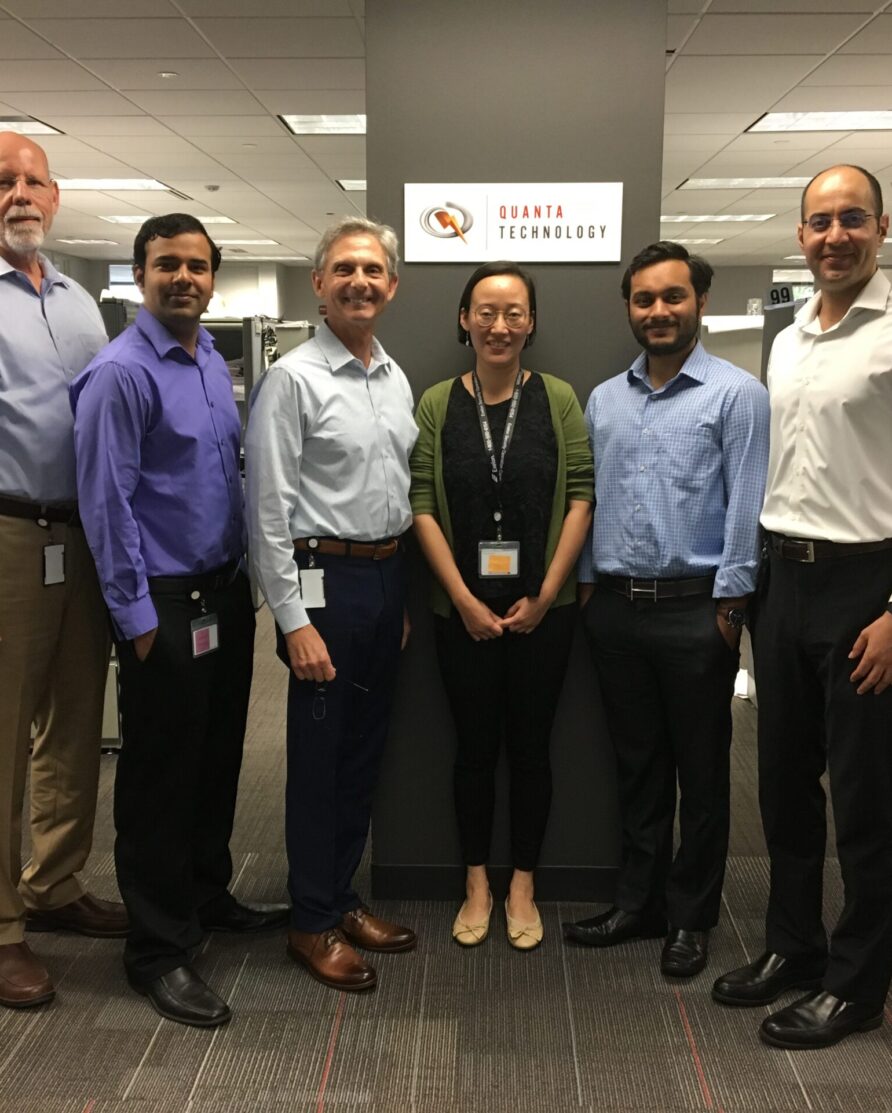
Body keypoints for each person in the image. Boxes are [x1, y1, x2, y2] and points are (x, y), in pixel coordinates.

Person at [70, 214, 286, 1029]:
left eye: (197, 265)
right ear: (139, 273)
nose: (184, 278)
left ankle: (204, 893)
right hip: (161, 600)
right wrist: (136, 618)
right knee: (160, 779)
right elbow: (106, 503)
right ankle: (157, 949)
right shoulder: (119, 373)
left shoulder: (205, 362)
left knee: (216, 755)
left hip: (219, 592)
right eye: (168, 265)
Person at [713, 165, 892, 1049]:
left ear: (881, 226)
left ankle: (858, 983)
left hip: (870, 585)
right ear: (799, 235)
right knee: (783, 782)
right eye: (819, 222)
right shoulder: (787, 338)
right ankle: (794, 949)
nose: (834, 236)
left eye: (851, 219)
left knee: (866, 798)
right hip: (785, 580)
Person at [563, 242, 769, 978]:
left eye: (672, 297)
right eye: (644, 299)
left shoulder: (737, 394)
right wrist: (587, 585)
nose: (658, 311)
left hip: (697, 612)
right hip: (616, 609)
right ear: (629, 307)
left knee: (703, 773)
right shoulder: (605, 397)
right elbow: (592, 498)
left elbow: (747, 502)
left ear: (700, 303)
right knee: (637, 767)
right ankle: (639, 901)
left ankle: (691, 915)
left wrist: (732, 602)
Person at [245, 217, 418, 992]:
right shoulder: (294, 380)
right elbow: (267, 514)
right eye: (344, 268)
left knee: (361, 755)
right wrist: (292, 621)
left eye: (373, 269)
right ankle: (310, 921)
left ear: (392, 285)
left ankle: (341, 896)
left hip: (383, 581)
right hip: (322, 586)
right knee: (318, 762)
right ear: (318, 284)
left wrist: (399, 596)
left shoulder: (394, 375)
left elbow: (397, 495)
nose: (360, 280)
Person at [410, 261, 593, 950]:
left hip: (543, 610)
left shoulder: (558, 398)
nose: (499, 325)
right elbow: (420, 503)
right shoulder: (435, 402)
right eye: (485, 310)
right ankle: (477, 880)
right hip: (460, 612)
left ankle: (523, 881)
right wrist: (460, 598)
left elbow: (580, 492)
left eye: (514, 311)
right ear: (464, 319)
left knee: (533, 750)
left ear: (532, 322)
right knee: (473, 751)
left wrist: (547, 595)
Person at [0, 132, 128, 1011]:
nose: (20, 193)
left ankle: (53, 881)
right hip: (6, 531)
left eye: (32, 180)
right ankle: (2, 924)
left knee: (75, 717)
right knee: (3, 730)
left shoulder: (82, 300)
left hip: (81, 534)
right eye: (3, 181)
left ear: (55, 195)